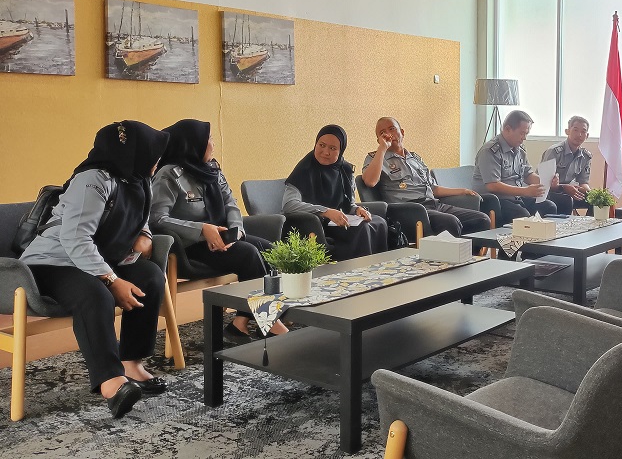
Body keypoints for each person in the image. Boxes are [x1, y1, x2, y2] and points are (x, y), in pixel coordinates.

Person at [20, 121, 170, 418]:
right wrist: (112, 280)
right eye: (153, 154)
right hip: (50, 263)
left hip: (96, 259)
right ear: (133, 152)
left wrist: (145, 236)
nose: (157, 161)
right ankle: (111, 382)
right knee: (96, 293)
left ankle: (131, 363)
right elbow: (76, 239)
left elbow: (141, 219)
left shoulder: (138, 179)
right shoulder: (92, 180)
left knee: (150, 276)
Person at [150, 119, 288, 344]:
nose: (213, 144)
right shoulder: (169, 175)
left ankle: (240, 322)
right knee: (248, 254)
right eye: (209, 140)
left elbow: (230, 203)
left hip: (223, 238)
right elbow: (156, 219)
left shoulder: (212, 169)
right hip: (189, 246)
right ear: (193, 144)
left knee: (271, 251)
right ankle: (269, 321)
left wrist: (236, 232)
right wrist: (202, 229)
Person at [361, 117, 491, 237]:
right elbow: (369, 181)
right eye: (382, 133)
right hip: (410, 211)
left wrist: (462, 191)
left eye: (392, 129)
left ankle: (468, 253)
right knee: (450, 222)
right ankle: (450, 254)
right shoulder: (375, 158)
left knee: (482, 219)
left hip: (434, 204)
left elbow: (433, 188)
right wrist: (382, 149)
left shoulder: (415, 158)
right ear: (378, 140)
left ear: (402, 132)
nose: (388, 134)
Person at [282, 124, 388, 260]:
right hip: (312, 225)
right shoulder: (303, 170)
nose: (326, 152)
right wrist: (325, 211)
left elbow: (348, 204)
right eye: (321, 145)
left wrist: (357, 210)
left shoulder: (345, 169)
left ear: (341, 150)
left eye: (333, 148)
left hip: (336, 222)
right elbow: (289, 205)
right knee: (361, 229)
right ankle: (359, 269)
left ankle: (379, 267)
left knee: (378, 222)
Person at [472, 109, 557, 224]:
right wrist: (525, 191)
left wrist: (547, 181)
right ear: (508, 129)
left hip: (516, 197)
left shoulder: (520, 150)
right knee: (523, 216)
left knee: (549, 207)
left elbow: (528, 174)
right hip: (495, 200)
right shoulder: (490, 151)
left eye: (526, 134)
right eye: (522, 133)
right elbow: (493, 185)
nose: (524, 138)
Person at [541, 115, 593, 215]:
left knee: (596, 200)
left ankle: (590, 224)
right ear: (567, 131)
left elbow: (583, 182)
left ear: (587, 136)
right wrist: (564, 187)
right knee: (566, 200)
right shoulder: (554, 152)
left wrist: (591, 193)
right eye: (575, 130)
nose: (579, 135)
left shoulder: (586, 156)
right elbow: (543, 183)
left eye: (583, 132)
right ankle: (565, 225)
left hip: (568, 191)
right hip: (548, 192)